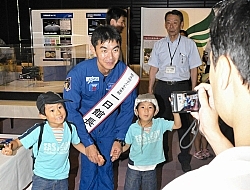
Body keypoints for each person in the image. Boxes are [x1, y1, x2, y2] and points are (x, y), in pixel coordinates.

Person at [163, 0, 250, 189]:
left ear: (225, 71)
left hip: (182, 84)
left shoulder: (188, 185)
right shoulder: (161, 44)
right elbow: (241, 167)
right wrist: (212, 132)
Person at [63, 25, 138, 190]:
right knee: (88, 173)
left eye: (115, 50)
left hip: (110, 130)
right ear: (93, 49)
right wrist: (87, 143)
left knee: (106, 173)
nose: (110, 57)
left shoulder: (125, 75)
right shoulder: (78, 74)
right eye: (104, 50)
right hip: (86, 129)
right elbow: (71, 111)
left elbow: (127, 109)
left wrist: (119, 139)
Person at [1, 91, 105, 190]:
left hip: (62, 177)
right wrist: (10, 147)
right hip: (42, 178)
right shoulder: (39, 130)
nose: (58, 112)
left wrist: (91, 153)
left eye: (60, 107)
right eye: (52, 110)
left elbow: (76, 144)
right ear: (42, 116)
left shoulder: (70, 128)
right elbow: (18, 142)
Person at [148, 9, 202, 172]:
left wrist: (193, 91)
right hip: (162, 87)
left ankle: (184, 158)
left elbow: (194, 69)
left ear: (181, 25)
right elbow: (153, 69)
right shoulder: (159, 45)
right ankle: (161, 157)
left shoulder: (189, 44)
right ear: (165, 24)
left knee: (184, 125)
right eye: (169, 22)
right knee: (161, 125)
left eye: (175, 22)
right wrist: (150, 90)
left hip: (182, 87)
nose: (171, 26)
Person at [123, 93, 181, 190]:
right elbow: (126, 145)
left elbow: (177, 125)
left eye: (150, 107)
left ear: (155, 111)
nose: (146, 111)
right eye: (142, 107)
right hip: (134, 167)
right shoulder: (133, 128)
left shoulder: (160, 123)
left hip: (151, 167)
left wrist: (175, 110)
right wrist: (118, 150)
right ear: (136, 111)